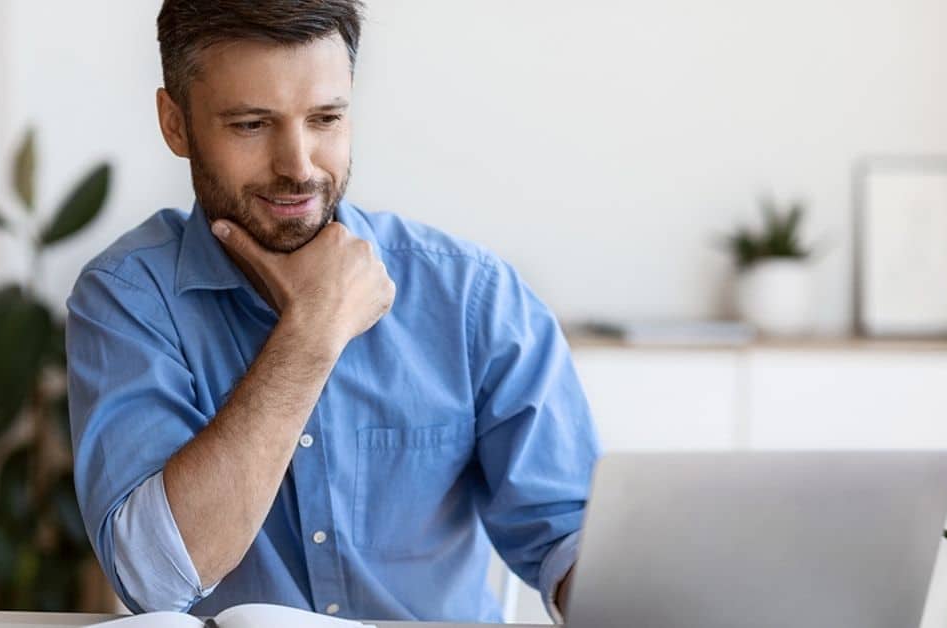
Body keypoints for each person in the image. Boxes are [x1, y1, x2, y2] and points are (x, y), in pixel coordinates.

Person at [66, 0, 599, 622]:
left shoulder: (472, 297)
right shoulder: (127, 298)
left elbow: (567, 538)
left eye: (325, 118)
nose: (298, 166)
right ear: (176, 124)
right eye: (250, 125)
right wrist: (313, 330)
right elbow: (150, 579)